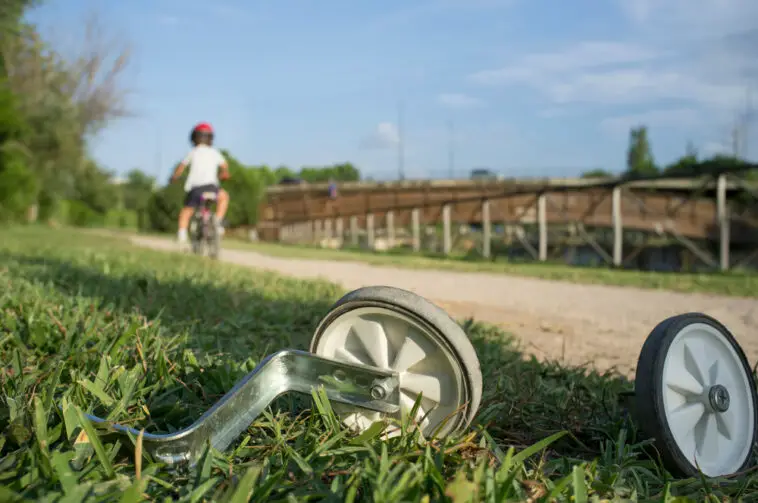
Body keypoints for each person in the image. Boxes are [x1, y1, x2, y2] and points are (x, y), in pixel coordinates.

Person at [170, 122, 230, 250]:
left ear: (194, 138)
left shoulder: (193, 152)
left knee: (186, 211)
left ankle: (181, 234)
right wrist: (224, 174)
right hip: (212, 187)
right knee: (224, 197)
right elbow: (225, 167)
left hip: (196, 188)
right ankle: (218, 222)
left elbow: (181, 167)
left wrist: (175, 177)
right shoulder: (214, 152)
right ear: (210, 138)